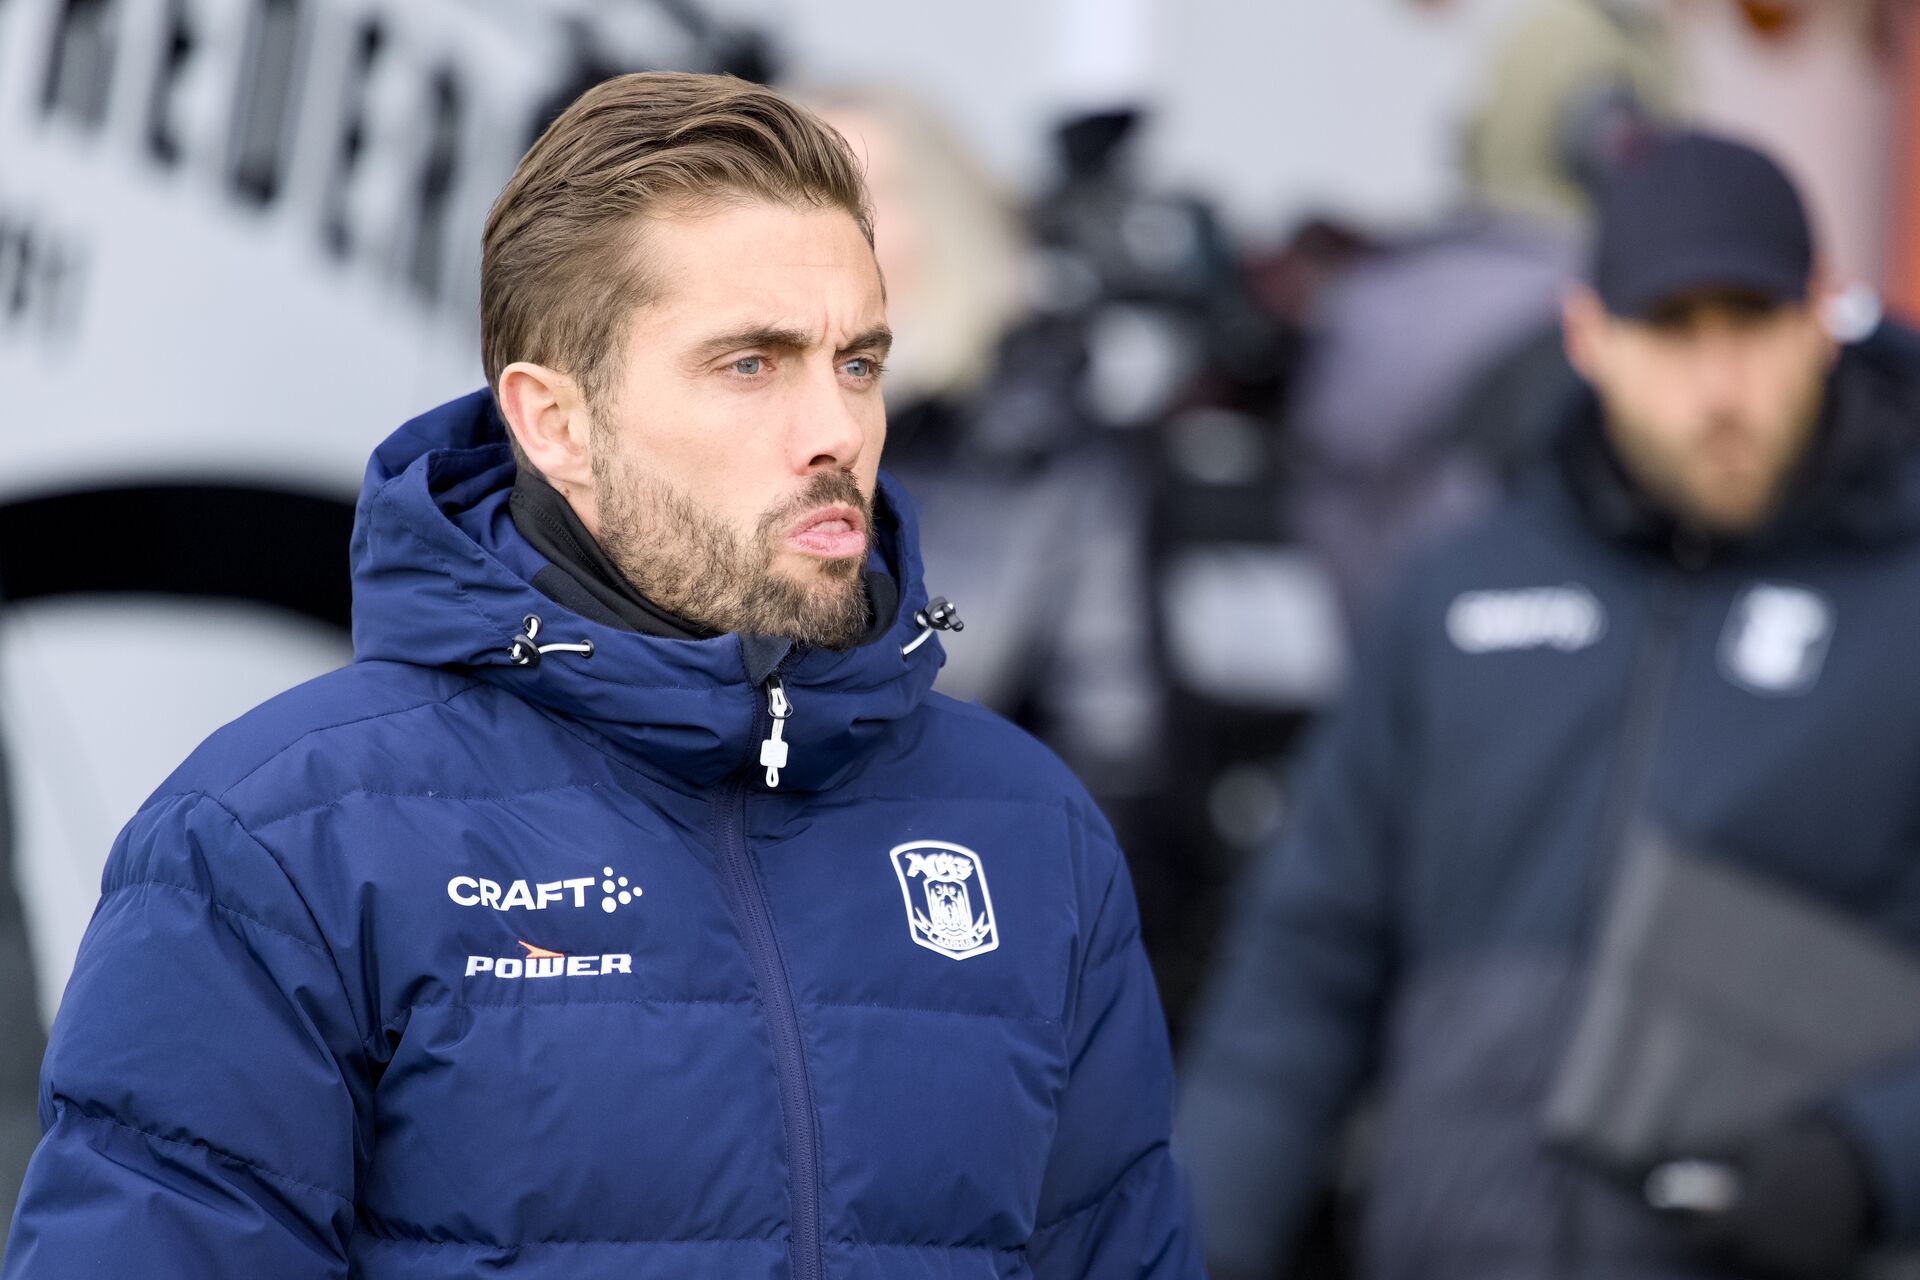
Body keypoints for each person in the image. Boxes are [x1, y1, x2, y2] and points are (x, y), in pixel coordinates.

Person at [0, 73, 1199, 1280]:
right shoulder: (278, 839)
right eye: (751, 363)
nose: (836, 429)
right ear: (555, 422)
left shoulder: (1031, 832)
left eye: (857, 363)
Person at [1179, 130, 1920, 1280]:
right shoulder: (1455, 590)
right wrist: (1192, 1243)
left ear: (1824, 314)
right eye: (1670, 330)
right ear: (1587, 334)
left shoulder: (1903, 603)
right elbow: (1305, 961)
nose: (1719, 387)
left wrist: (1872, 1154)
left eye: (1754, 323)